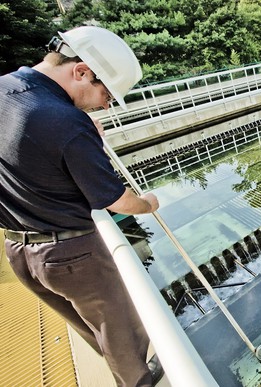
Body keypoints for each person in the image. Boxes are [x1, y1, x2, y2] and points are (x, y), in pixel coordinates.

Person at [0, 26, 161, 386]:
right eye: (106, 93)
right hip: (71, 255)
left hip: (18, 253)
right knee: (124, 334)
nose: (105, 104)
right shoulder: (65, 122)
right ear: (81, 71)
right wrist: (148, 204)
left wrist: (83, 134)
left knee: (90, 328)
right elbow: (116, 199)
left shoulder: (5, 89)